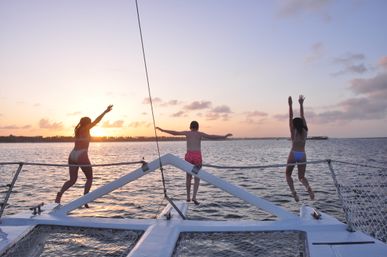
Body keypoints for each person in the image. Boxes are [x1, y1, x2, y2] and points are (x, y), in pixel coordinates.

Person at [157, 121, 232, 205]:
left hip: (189, 156)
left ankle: (188, 197)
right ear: (197, 127)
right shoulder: (199, 134)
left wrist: (163, 130)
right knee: (197, 177)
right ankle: (194, 197)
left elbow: (175, 133)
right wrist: (224, 136)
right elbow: (212, 136)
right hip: (197, 156)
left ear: (190, 127)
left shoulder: (187, 133)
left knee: (188, 177)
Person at [55, 105, 113, 206]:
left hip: (72, 155)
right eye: (90, 123)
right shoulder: (85, 128)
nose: (91, 124)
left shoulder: (77, 130)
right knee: (89, 178)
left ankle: (59, 195)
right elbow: (97, 121)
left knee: (72, 180)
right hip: (81, 154)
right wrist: (105, 112)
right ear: (88, 123)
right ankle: (85, 198)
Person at [286, 95, 314, 202]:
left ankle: (294, 194)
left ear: (293, 124)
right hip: (302, 154)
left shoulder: (293, 131)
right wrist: (301, 104)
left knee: (288, 175)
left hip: (294, 153)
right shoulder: (305, 130)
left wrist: (290, 105)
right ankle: (308, 188)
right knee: (301, 177)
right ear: (302, 123)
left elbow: (290, 116)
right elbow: (302, 116)